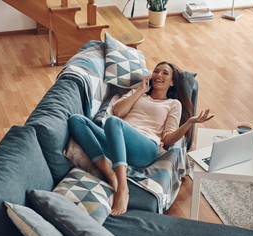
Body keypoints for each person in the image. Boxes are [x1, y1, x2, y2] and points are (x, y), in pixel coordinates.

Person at [68, 61, 214, 216]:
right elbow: (118, 111)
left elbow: (169, 139)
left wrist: (189, 123)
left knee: (112, 122)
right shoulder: (136, 92)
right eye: (156, 71)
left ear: (172, 82)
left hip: (144, 148)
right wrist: (140, 90)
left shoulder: (173, 104)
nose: (159, 75)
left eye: (165, 73)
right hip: (116, 141)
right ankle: (111, 175)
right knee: (76, 120)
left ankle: (123, 189)